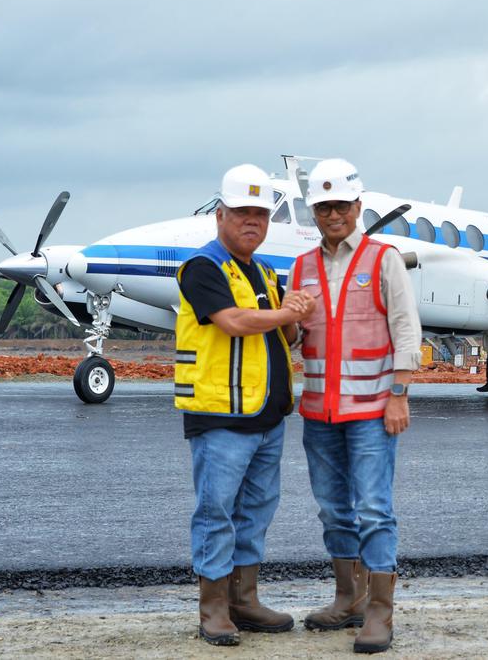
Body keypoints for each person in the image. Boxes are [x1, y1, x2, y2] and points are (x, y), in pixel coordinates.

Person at [174, 163, 317, 647]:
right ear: (220, 215)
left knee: (256, 509)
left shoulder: (261, 271)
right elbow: (233, 321)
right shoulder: (203, 268)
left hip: (266, 416)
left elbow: (287, 335)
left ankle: (245, 599)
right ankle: (213, 607)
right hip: (220, 416)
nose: (252, 222)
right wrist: (284, 311)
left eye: (260, 214)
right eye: (242, 213)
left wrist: (297, 314)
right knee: (217, 511)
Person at [290, 158, 422, 654]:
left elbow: (407, 329)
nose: (332, 214)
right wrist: (287, 319)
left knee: (373, 509)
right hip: (320, 411)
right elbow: (292, 334)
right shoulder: (301, 267)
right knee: (332, 510)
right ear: (314, 212)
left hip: (372, 410)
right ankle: (348, 598)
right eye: (323, 207)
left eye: (340, 205)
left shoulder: (382, 258)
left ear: (357, 206)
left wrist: (399, 394)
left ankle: (380, 613)